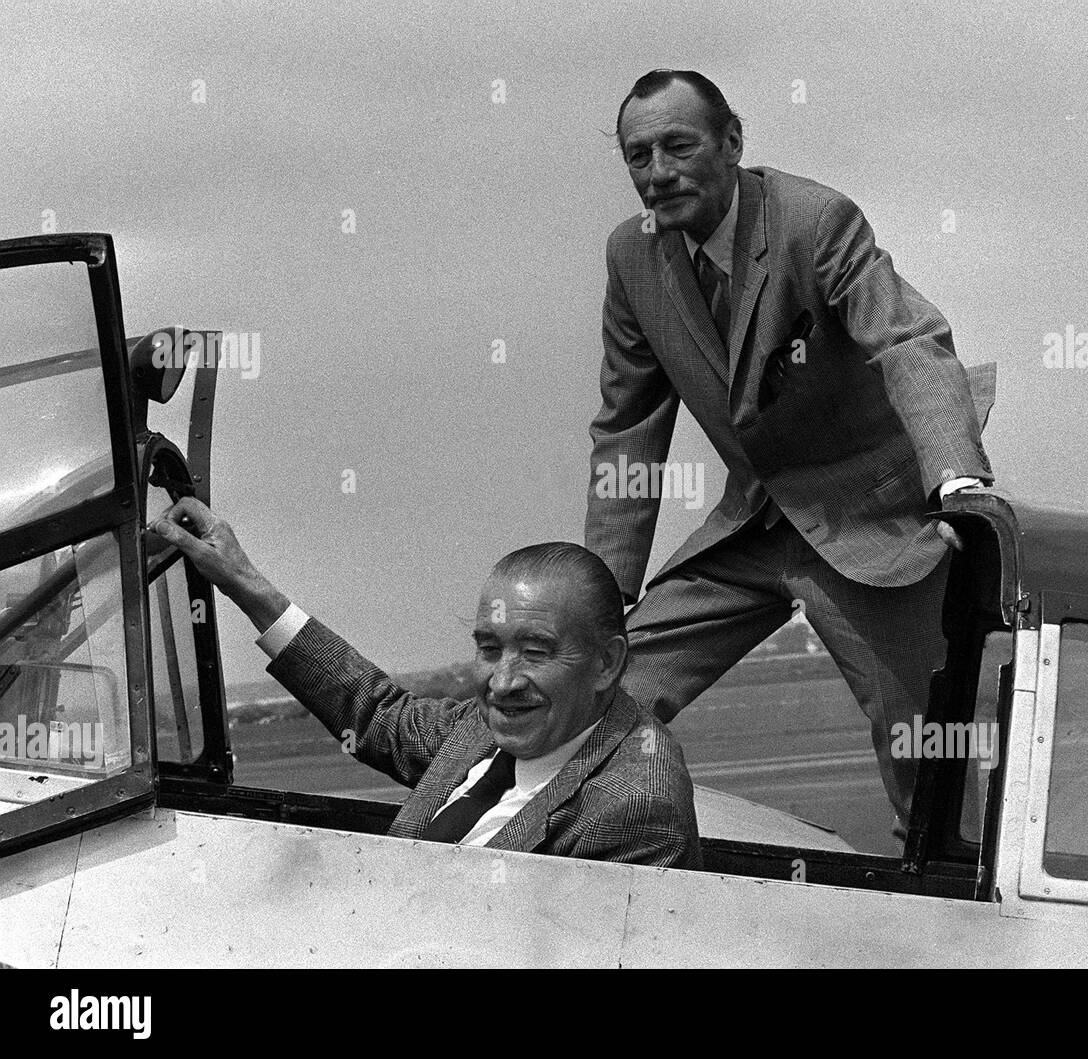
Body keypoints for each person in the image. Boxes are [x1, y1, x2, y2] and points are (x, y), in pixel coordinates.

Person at [585, 70, 995, 838]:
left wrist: (959, 483)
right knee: (593, 690)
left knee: (931, 767)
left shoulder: (815, 220)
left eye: (679, 146)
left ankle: (960, 924)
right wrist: (598, 596)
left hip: (878, 519)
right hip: (756, 522)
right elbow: (627, 427)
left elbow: (906, 341)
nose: (659, 173)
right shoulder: (632, 258)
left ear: (732, 141)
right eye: (638, 156)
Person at [151, 498, 701, 870]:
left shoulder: (637, 803)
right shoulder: (480, 730)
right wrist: (244, 583)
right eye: (488, 648)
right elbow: (372, 712)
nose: (502, 682)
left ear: (606, 663)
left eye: (535, 651)